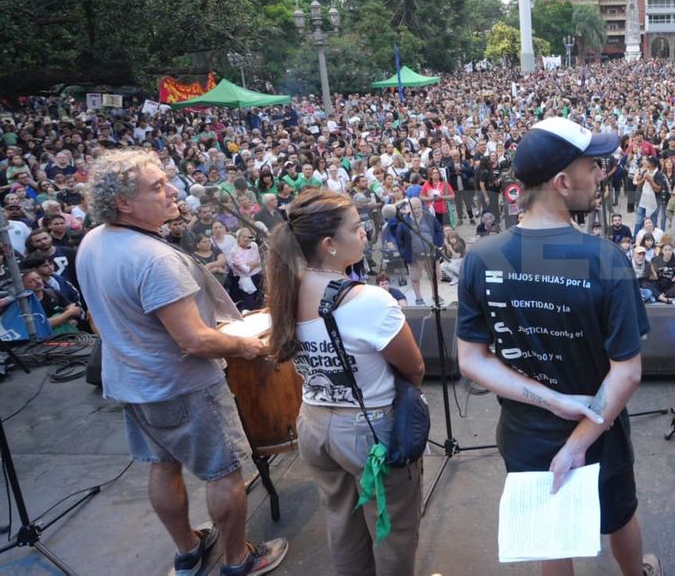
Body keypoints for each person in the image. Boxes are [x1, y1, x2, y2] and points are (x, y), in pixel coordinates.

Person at [455, 117, 661, 576]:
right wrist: (577, 444)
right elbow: (626, 372)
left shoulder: (482, 256)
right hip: (600, 435)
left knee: (552, 534)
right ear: (563, 182)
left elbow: (471, 360)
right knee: (619, 514)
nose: (601, 175)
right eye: (593, 166)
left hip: (525, 435)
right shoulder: (605, 258)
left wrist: (551, 402)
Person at [75, 149, 287, 576]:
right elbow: (193, 340)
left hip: (131, 382)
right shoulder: (156, 259)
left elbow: (98, 320)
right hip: (182, 386)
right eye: (157, 186)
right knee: (224, 473)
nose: (173, 190)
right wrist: (247, 346)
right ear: (123, 203)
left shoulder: (93, 241)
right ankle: (237, 559)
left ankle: (188, 552)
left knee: (162, 464)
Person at [265, 188, 425, 575]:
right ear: (329, 245)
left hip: (314, 424)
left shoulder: (284, 289)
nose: (365, 233)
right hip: (369, 432)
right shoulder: (370, 300)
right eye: (357, 228)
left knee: (342, 524)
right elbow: (415, 368)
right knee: (392, 531)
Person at [395, 197, 444, 306]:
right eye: (413, 208)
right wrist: (404, 254)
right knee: (415, 278)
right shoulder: (404, 223)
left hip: (431, 254)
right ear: (408, 209)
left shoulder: (429, 218)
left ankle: (435, 295)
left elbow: (439, 230)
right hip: (414, 257)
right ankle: (418, 297)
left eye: (418, 207)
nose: (416, 210)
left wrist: (438, 245)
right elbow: (399, 241)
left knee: (434, 276)